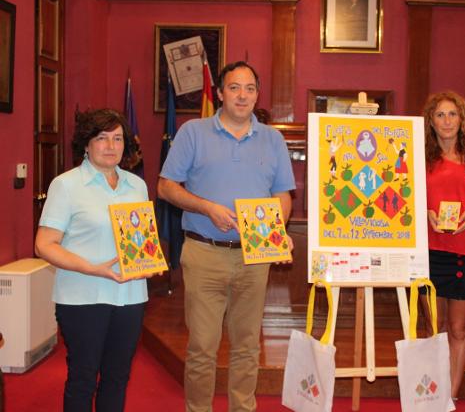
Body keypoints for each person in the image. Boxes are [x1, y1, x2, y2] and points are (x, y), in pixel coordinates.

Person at [157, 61, 295, 412]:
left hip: (255, 257)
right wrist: (206, 208)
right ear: (220, 93)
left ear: (257, 94)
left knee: (247, 346)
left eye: (250, 88)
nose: (243, 95)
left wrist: (276, 230)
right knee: (202, 346)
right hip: (205, 254)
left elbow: (283, 195)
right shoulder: (193, 132)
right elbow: (166, 187)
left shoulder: (273, 138)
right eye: (234, 87)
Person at [35, 108, 154, 411]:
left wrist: (148, 261)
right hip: (82, 297)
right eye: (102, 138)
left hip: (130, 296)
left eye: (117, 138)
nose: (111, 146)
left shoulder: (136, 185)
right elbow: (44, 245)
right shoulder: (66, 185)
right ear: (86, 145)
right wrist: (93, 268)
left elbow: (140, 239)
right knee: (83, 378)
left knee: (117, 377)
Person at [420, 91, 465, 400]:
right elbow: (404, 198)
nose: (447, 121)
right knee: (431, 328)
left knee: (458, 328)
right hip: (427, 250)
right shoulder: (420, 156)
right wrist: (426, 213)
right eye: (440, 115)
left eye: (453, 114)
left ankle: (449, 397)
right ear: (431, 122)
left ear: (462, 119)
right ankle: (429, 391)